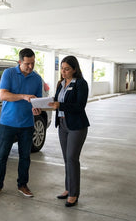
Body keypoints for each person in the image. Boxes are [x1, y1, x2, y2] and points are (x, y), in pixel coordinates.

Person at [0, 48, 42, 198]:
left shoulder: (37, 79)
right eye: (27, 64)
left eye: (33, 63)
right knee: (2, 156)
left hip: (27, 124)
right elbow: (3, 95)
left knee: (25, 157)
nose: (30, 67)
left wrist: (37, 110)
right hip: (8, 123)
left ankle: (23, 185)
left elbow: (37, 102)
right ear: (19, 62)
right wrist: (23, 96)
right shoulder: (9, 73)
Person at [48, 55, 90, 207]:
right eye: (62, 69)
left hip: (76, 126)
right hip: (63, 124)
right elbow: (56, 100)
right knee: (66, 159)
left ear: (74, 69)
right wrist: (45, 103)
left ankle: (74, 194)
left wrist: (61, 105)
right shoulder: (61, 83)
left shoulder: (80, 83)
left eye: (67, 69)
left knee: (72, 158)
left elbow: (80, 106)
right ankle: (68, 189)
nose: (63, 72)